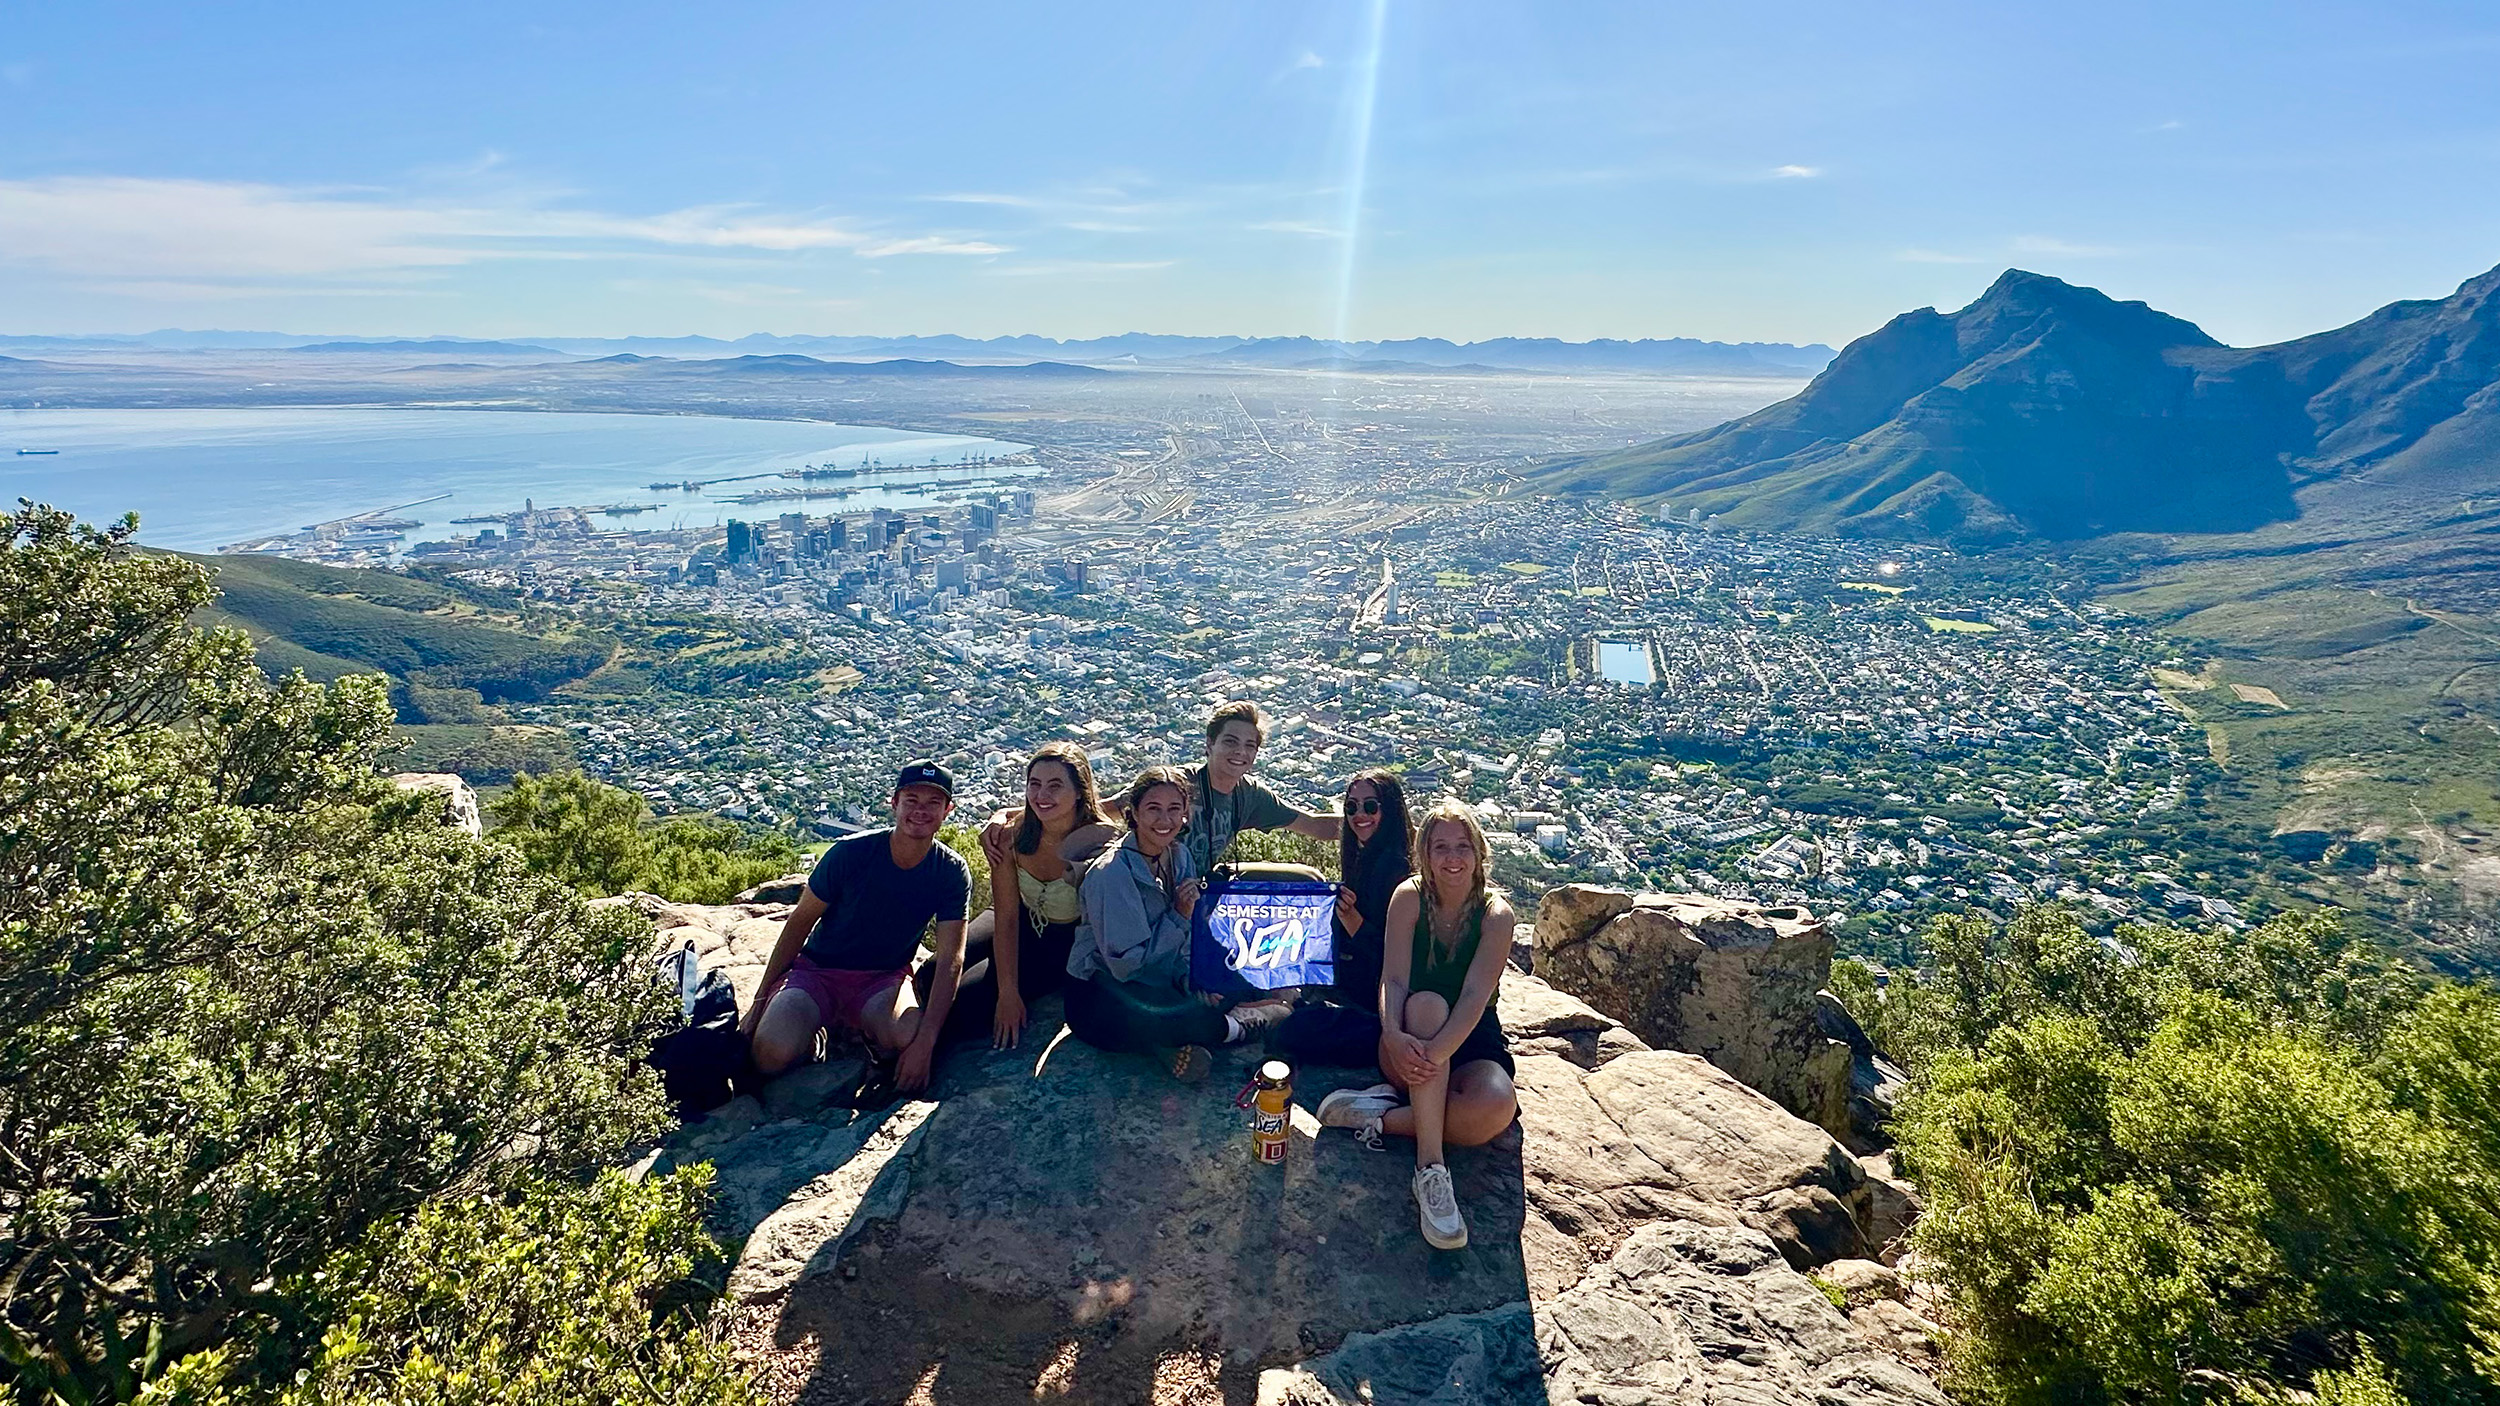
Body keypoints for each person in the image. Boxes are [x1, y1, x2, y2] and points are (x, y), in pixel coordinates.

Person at [1315, 800, 1519, 1251]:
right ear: (1424, 854)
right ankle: (1431, 1171)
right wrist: (1392, 1033)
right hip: (1408, 1034)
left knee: (1494, 1110)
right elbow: (1394, 979)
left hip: (1468, 1037)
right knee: (1426, 1004)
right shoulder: (1409, 897)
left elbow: (1474, 998)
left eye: (1462, 846)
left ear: (1479, 852)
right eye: (1440, 846)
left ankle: (1379, 1118)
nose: (1452, 858)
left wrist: (1439, 1054)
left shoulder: (1495, 916)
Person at [741, 761, 971, 1094]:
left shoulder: (949, 871)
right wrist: (759, 1003)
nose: (921, 811)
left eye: (933, 803)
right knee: (770, 1055)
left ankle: (861, 1031)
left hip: (882, 980)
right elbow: (799, 922)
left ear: (947, 810)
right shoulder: (850, 854)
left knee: (906, 1036)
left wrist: (926, 1043)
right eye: (912, 800)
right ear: (894, 803)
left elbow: (952, 956)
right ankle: (815, 1033)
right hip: (818, 971)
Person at [1062, 766, 1294, 1081]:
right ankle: (1239, 1025)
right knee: (1176, 1016)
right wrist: (1179, 916)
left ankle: (1169, 1047)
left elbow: (1187, 940)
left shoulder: (1179, 856)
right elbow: (1127, 966)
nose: (1165, 820)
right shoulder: (1111, 874)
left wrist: (1191, 980)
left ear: (1185, 814)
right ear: (1134, 813)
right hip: (1104, 991)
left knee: (1214, 982)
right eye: (1153, 809)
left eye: (1174, 809)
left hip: (1161, 977)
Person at [931, 743, 1115, 1049]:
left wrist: (1010, 995)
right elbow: (1006, 917)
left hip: (1061, 939)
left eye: (1055, 786)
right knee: (929, 975)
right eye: (1035, 784)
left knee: (965, 1007)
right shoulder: (1014, 835)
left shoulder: (1099, 843)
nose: (1042, 796)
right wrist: (1007, 991)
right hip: (1017, 917)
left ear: (1080, 791)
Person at [1272, 769, 1412, 1066]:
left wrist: (1353, 922)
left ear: (1390, 808)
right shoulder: (1365, 858)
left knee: (1291, 1032)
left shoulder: (1398, 870)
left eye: (1370, 806)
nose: (1359, 815)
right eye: (1351, 807)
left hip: (1380, 1002)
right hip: (1354, 988)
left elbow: (1396, 957)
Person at [1178, 701, 1340, 878]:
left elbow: (1314, 825)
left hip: (1203, 885)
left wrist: (1370, 825)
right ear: (1210, 744)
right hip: (1156, 887)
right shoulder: (1178, 785)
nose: (1240, 751)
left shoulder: (1248, 794)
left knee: (1310, 878)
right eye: (1230, 742)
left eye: (1249, 745)